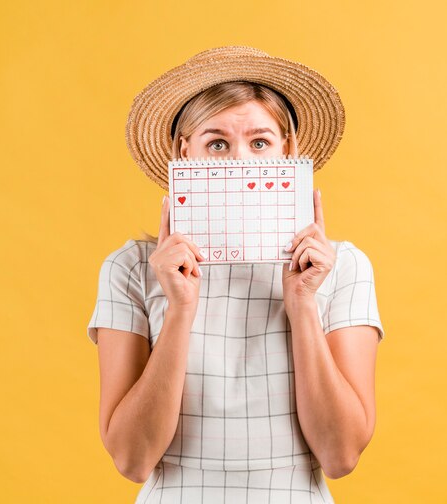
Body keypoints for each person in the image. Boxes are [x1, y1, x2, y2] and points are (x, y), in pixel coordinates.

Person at [87, 46, 385, 503]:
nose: (239, 162)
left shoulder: (343, 267)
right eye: (217, 143)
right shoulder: (131, 268)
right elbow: (131, 458)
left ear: (288, 151)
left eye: (260, 142)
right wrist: (180, 308)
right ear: (185, 153)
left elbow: (341, 455)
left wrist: (303, 303)